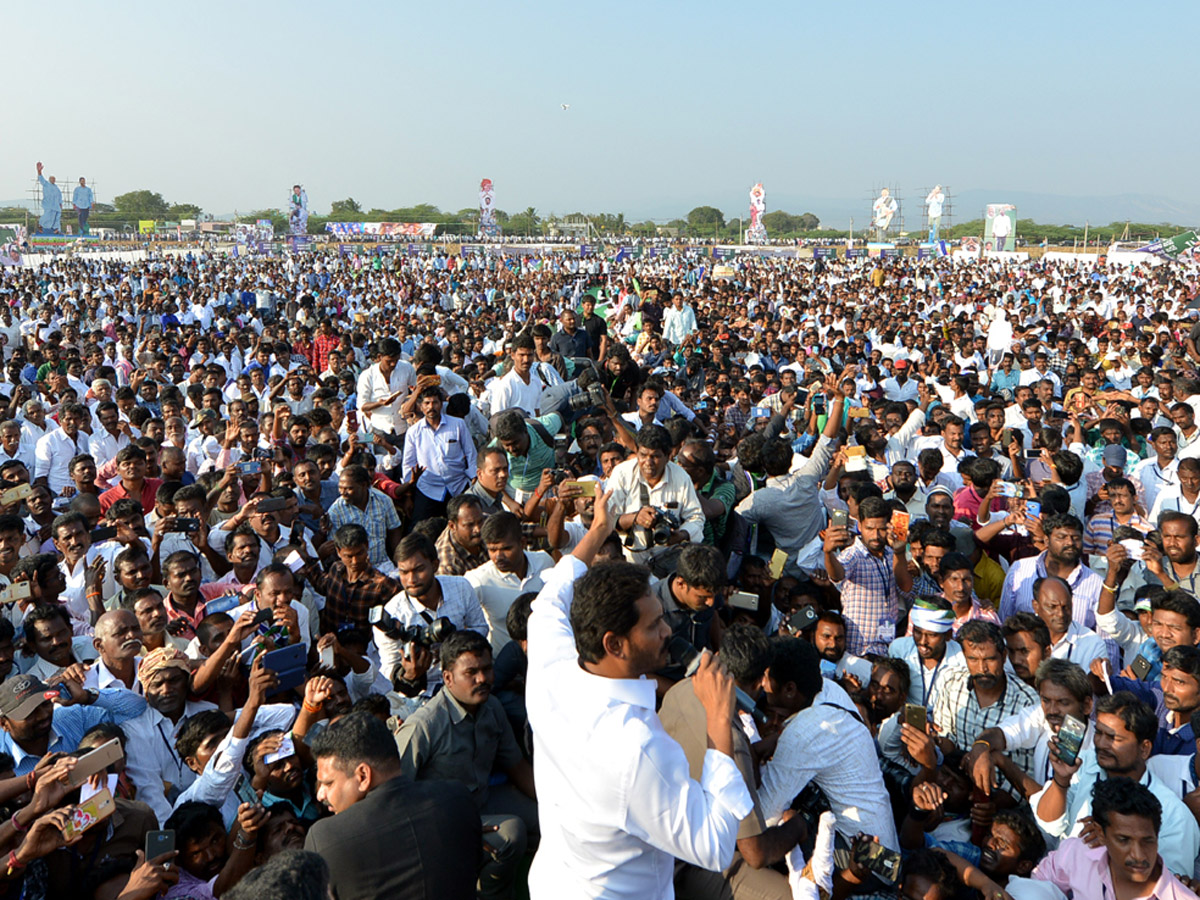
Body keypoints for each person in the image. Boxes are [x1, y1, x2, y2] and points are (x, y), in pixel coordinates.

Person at [525, 487, 753, 899]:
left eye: (663, 619)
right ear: (614, 644)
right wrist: (718, 721)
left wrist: (598, 531)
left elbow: (547, 605)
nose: (668, 631)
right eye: (652, 627)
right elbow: (714, 845)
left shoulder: (552, 670)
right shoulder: (637, 747)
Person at [660, 624, 800, 900]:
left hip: (663, 839)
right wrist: (797, 828)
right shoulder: (733, 746)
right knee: (787, 895)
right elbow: (755, 852)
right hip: (683, 866)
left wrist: (756, 750)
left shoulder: (682, 688)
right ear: (761, 681)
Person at [395, 630, 537, 900]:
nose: (482, 679)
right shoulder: (423, 726)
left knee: (548, 818)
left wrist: (555, 803)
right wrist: (451, 826)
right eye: (471, 672)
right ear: (448, 678)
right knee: (511, 832)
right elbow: (394, 797)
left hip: (483, 801)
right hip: (440, 822)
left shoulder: (492, 707)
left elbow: (517, 766)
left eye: (487, 669)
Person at [305, 711, 480, 900]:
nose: (321, 794)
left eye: (329, 783)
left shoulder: (324, 838)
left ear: (363, 776)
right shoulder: (458, 798)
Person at [1032, 691, 1200, 877]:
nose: (1102, 744)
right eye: (1099, 733)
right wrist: (1060, 781)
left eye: (1114, 738)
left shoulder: (1174, 815)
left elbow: (1170, 886)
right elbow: (1050, 826)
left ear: (1144, 748)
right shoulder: (1084, 764)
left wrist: (1115, 845)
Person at [1034, 777, 1197, 899]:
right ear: (1100, 834)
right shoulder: (1077, 854)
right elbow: (1038, 882)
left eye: (1147, 840)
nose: (1138, 855)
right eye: (1124, 840)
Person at [464, 512, 553, 653]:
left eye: (506, 549)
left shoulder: (545, 562)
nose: (498, 557)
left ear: (523, 543)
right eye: (492, 550)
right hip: (502, 666)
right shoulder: (478, 580)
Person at [402, 384, 476, 521]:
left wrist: (473, 479)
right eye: (427, 403)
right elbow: (408, 464)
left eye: (435, 402)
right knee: (420, 531)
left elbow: (471, 453)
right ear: (421, 406)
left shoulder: (458, 424)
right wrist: (408, 494)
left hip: (458, 486)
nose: (431, 407)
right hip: (428, 488)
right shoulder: (414, 432)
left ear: (441, 404)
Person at [35, 161, 61, 233]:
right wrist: (39, 171)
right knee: (46, 216)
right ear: (49, 179)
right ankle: (41, 226)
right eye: (52, 179)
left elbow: (59, 197)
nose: (53, 180)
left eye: (54, 179)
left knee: (56, 217)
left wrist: (60, 204)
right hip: (48, 205)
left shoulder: (57, 188)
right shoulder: (46, 184)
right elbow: (41, 178)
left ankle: (56, 229)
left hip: (56, 206)